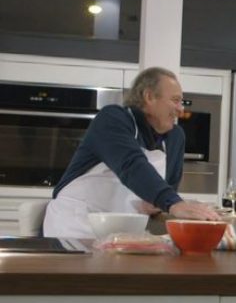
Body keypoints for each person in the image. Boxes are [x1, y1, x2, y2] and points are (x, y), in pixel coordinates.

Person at [44, 67, 220, 238]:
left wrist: (154, 205)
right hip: (75, 226)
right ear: (149, 97)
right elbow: (132, 165)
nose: (181, 109)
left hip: (123, 233)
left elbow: (168, 188)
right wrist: (174, 203)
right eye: (175, 100)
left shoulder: (175, 137)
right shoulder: (113, 119)